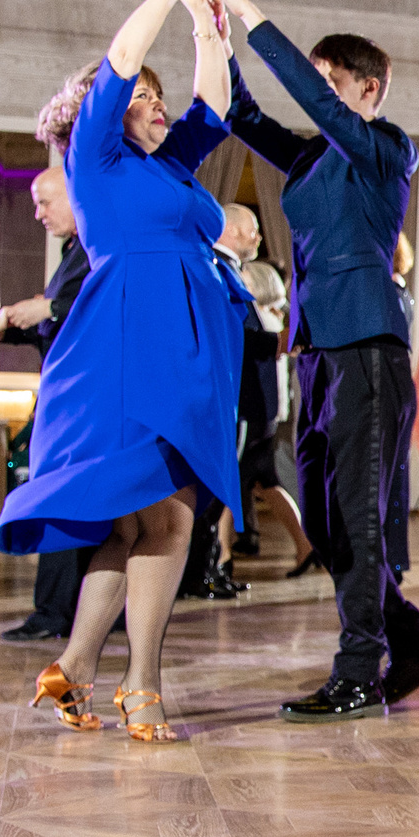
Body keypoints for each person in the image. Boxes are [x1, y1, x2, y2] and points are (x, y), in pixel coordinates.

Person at [0, 0, 245, 746]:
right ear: (104, 114)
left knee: (135, 526)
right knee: (169, 513)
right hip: (132, 346)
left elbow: (217, 102)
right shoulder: (93, 160)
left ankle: (71, 663)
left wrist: (209, 22)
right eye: (143, 99)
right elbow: (123, 58)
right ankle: (143, 684)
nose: (158, 106)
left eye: (158, 101)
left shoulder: (168, 162)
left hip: (184, 347)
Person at [202, 0, 419, 720]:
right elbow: (240, 112)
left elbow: (315, 105)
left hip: (368, 351)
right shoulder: (312, 160)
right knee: (323, 514)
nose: (316, 94)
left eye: (328, 81)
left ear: (368, 89)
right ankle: (408, 642)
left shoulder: (385, 148)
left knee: (360, 514)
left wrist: (248, 8)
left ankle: (358, 669)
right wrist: (210, 27)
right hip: (315, 353)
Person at [0, 167, 99, 641]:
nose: (37, 214)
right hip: (70, 394)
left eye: (45, 202)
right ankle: (69, 610)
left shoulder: (98, 245)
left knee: (62, 500)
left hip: (82, 398)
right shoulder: (74, 251)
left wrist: (50, 309)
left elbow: (102, 304)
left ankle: (55, 612)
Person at [180, 202, 267, 600]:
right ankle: (198, 574)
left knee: (219, 492)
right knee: (211, 489)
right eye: (253, 231)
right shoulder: (215, 268)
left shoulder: (226, 269)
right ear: (231, 231)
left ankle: (208, 569)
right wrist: (280, 341)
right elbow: (237, 334)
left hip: (234, 399)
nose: (259, 239)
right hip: (225, 398)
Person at [232, 256, 313, 573]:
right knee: (265, 482)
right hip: (267, 409)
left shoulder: (263, 320)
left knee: (240, 481)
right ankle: (304, 544)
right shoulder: (272, 319)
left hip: (257, 409)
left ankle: (224, 555)